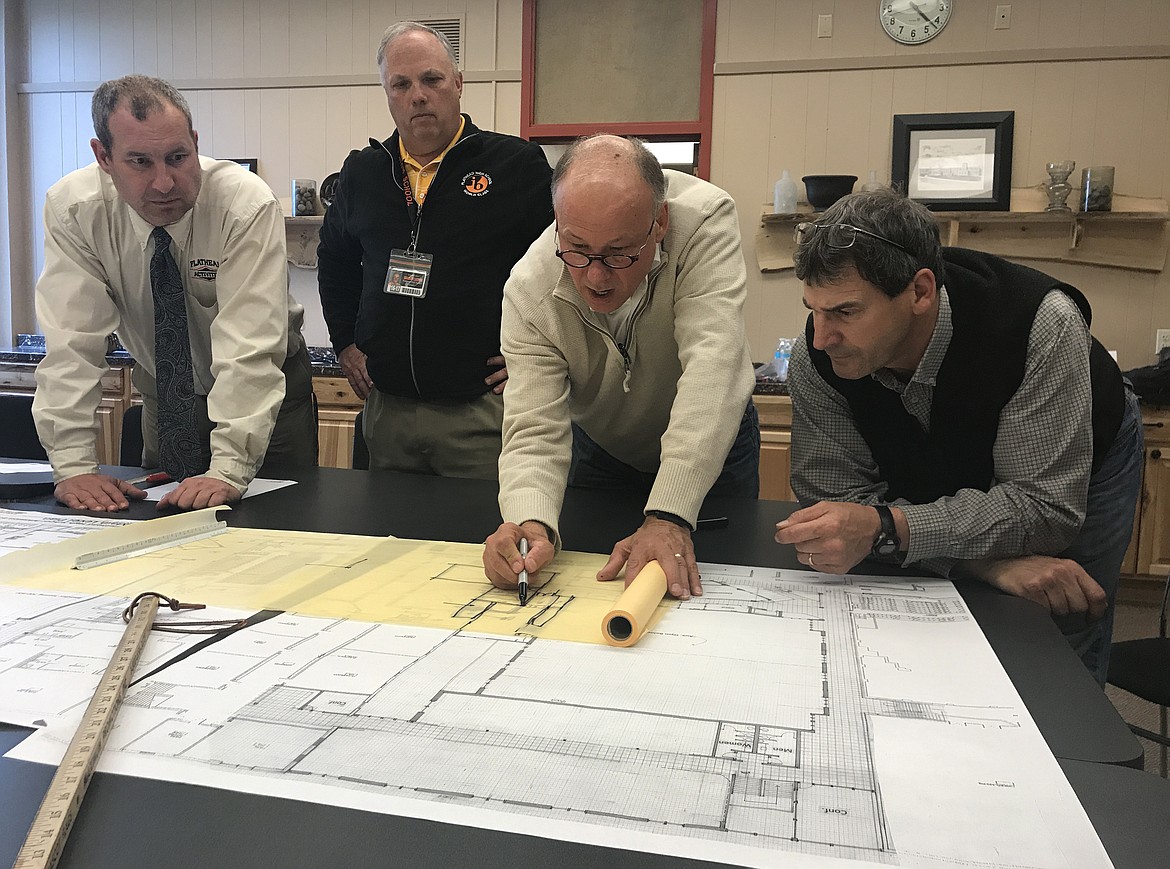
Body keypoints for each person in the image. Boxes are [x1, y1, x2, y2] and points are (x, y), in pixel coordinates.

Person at [774, 189, 1143, 684]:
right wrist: (982, 566)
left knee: (1055, 620)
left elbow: (1045, 510)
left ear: (920, 293)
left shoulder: (1039, 324)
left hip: (1078, 457)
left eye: (844, 312)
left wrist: (890, 528)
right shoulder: (817, 359)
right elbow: (843, 510)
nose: (821, 337)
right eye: (813, 310)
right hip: (948, 458)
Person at [482, 134, 760, 603]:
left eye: (618, 253)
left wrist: (669, 516)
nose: (596, 276)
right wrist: (529, 523)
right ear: (558, 223)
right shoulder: (529, 290)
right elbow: (534, 428)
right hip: (604, 448)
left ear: (660, 223)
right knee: (600, 584)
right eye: (577, 249)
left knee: (710, 597)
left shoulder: (704, 223)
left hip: (713, 446)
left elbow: (714, 372)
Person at [33, 74, 315, 513]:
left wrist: (229, 470)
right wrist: (72, 466)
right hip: (164, 393)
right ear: (104, 157)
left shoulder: (243, 205)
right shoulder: (75, 211)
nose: (164, 182)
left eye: (178, 157)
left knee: (276, 525)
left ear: (195, 143)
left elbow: (249, 350)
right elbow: (72, 346)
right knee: (162, 525)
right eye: (140, 162)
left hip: (266, 395)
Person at [317, 21, 553, 479]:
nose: (417, 95)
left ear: (458, 84)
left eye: (431, 79)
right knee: (383, 541)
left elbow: (558, 268)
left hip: (482, 412)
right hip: (387, 413)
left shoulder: (515, 166)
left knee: (481, 543)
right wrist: (344, 341)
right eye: (401, 84)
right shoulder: (364, 173)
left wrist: (540, 353)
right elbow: (335, 258)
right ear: (388, 94)